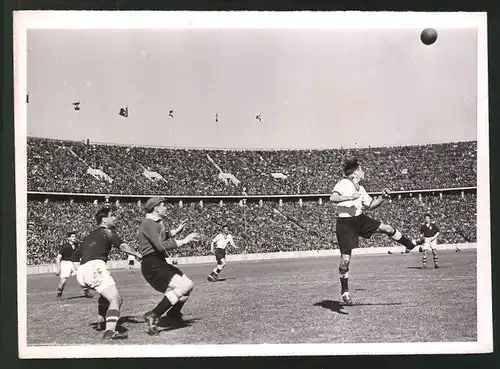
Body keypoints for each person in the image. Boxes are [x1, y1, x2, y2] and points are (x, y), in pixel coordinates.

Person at [329, 158, 418, 305]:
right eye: (361, 169)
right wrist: (350, 197)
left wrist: (383, 198)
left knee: (388, 228)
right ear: (355, 172)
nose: (363, 172)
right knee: (345, 260)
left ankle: (410, 246)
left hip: (360, 220)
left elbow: (370, 205)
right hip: (345, 224)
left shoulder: (361, 188)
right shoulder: (343, 183)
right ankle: (344, 292)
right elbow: (333, 197)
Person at [76, 206, 142, 340]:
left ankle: (101, 321)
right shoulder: (107, 232)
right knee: (116, 299)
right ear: (104, 219)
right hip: (95, 267)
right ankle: (110, 331)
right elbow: (122, 246)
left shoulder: (88, 236)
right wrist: (136, 254)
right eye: (112, 215)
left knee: (104, 294)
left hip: (82, 270)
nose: (115, 218)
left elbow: (76, 255)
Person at [138, 197, 200, 336]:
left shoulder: (154, 223)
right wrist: (184, 241)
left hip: (158, 262)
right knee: (183, 287)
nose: (166, 208)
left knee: (189, 284)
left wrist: (176, 231)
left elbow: (161, 237)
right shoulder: (149, 223)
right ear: (156, 208)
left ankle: (173, 313)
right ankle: (153, 314)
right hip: (153, 264)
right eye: (163, 205)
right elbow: (160, 246)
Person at [55, 231, 92, 300]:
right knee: (63, 281)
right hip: (66, 263)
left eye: (75, 236)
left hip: (75, 262)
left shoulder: (77, 245)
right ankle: (59, 295)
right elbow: (58, 258)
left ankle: (87, 292)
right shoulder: (65, 246)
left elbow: (81, 255)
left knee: (82, 277)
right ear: (68, 238)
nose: (74, 238)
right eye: (72, 237)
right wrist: (58, 269)